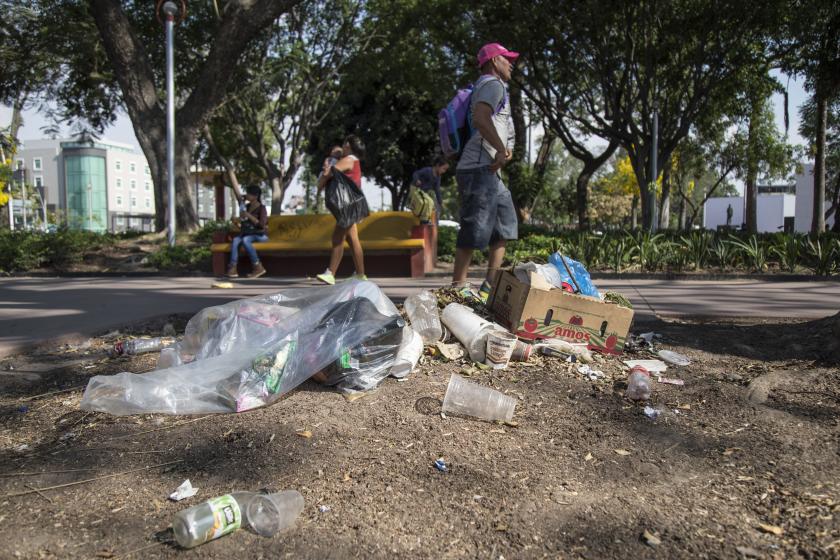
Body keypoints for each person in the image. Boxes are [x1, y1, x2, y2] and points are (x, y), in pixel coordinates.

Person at [452, 42, 519, 302]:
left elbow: (496, 122)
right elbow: (481, 118)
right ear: (494, 61)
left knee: (504, 224)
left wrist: (506, 148)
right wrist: (501, 149)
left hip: (490, 171)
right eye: (506, 58)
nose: (511, 63)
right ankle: (456, 289)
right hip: (478, 167)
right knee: (474, 226)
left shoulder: (493, 86)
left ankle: (488, 287)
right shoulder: (492, 84)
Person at [316, 135, 367, 285]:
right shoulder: (354, 160)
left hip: (347, 205)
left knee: (337, 238)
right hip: (352, 204)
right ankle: (360, 274)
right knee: (353, 240)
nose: (343, 145)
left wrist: (323, 177)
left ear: (348, 145)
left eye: (345, 143)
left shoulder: (349, 159)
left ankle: (330, 273)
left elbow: (328, 173)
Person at [226, 185, 268, 279]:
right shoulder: (247, 207)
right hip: (247, 233)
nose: (247, 195)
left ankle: (258, 267)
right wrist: (242, 204)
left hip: (259, 235)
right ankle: (233, 268)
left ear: (255, 196)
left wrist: (249, 215)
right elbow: (243, 221)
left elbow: (261, 225)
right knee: (236, 240)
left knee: (245, 239)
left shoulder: (262, 208)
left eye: (249, 194)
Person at [411, 156, 450, 223]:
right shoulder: (428, 170)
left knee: (431, 204)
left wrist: (440, 202)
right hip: (415, 189)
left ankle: (425, 220)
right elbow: (416, 173)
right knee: (429, 202)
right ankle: (416, 210)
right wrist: (417, 180)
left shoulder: (438, 177)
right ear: (438, 165)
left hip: (423, 193)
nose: (444, 171)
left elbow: (437, 190)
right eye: (444, 169)